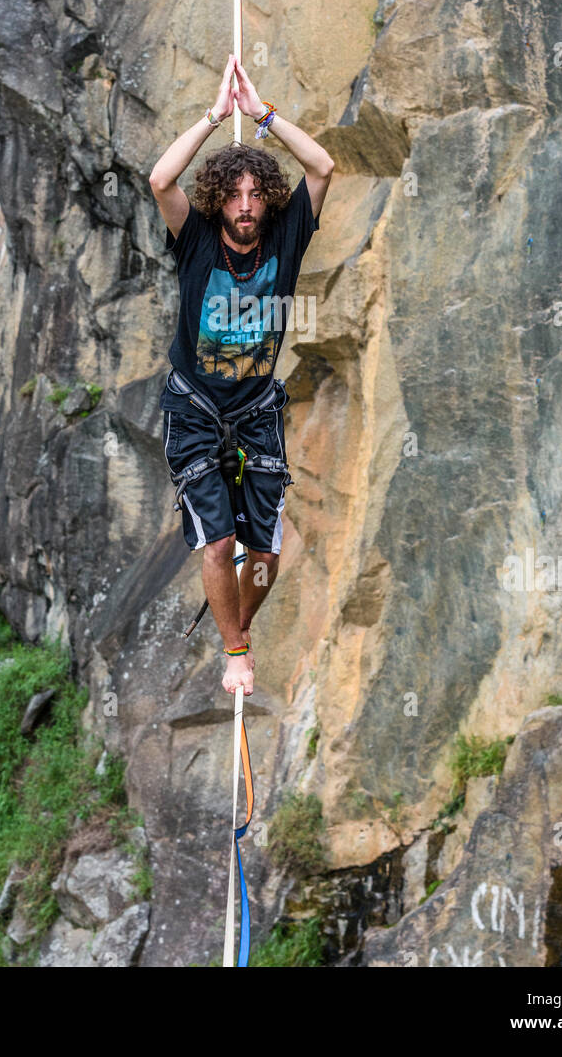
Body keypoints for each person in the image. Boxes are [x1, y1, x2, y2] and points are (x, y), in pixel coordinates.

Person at [148, 56, 334, 696]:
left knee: (265, 555)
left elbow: (324, 167)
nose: (246, 206)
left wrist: (263, 116)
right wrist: (214, 115)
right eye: (234, 195)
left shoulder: (287, 239)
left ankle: (237, 626)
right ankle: (235, 651)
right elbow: (160, 177)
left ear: (269, 200)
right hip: (195, 407)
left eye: (256, 195)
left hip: (256, 409)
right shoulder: (196, 239)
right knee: (217, 540)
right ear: (218, 200)